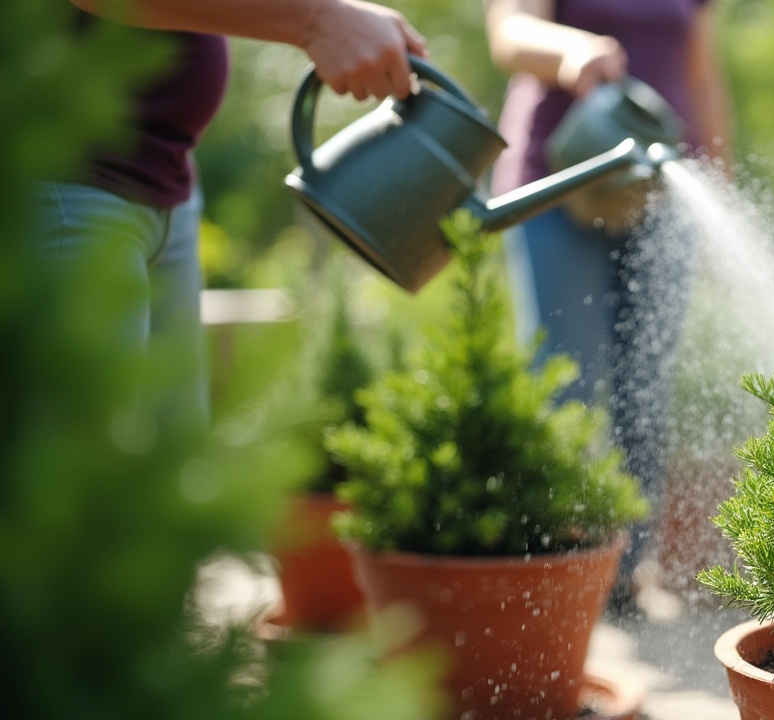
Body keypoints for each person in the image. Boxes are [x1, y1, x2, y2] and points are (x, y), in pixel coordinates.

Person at [39, 0, 429, 429]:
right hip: (65, 183)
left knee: (172, 475)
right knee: (76, 478)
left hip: (168, 184)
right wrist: (317, 20)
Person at [484, 0, 733, 612]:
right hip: (557, 179)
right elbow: (508, 34)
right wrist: (572, 52)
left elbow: (703, 74)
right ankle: (547, 566)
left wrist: (723, 188)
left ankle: (622, 575)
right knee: (563, 382)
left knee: (644, 391)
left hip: (660, 186)